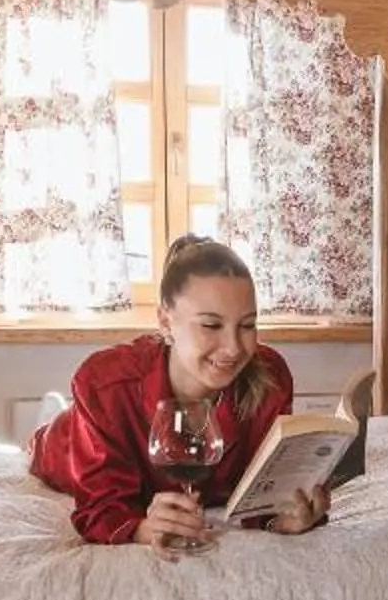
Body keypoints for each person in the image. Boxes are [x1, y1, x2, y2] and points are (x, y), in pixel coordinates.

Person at [29, 236, 330, 552]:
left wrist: (284, 517)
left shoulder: (270, 376)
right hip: (64, 449)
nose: (234, 348)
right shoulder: (104, 383)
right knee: (50, 438)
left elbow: (262, 491)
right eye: (211, 325)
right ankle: (56, 415)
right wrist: (144, 528)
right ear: (165, 322)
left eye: (247, 325)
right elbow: (102, 508)